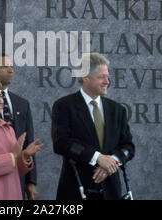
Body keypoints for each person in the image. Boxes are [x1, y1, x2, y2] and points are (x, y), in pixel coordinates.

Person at [51, 53, 135, 200]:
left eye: (107, 76)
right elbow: (61, 143)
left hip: (111, 192)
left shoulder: (117, 110)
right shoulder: (64, 106)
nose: (107, 81)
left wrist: (112, 161)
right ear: (85, 77)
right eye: (101, 77)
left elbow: (128, 147)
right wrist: (97, 157)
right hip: (76, 191)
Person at [0, 52, 38, 200]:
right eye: (4, 66)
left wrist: (31, 181)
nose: (11, 70)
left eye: (11, 66)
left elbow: (28, 143)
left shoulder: (22, 103)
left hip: (18, 178)